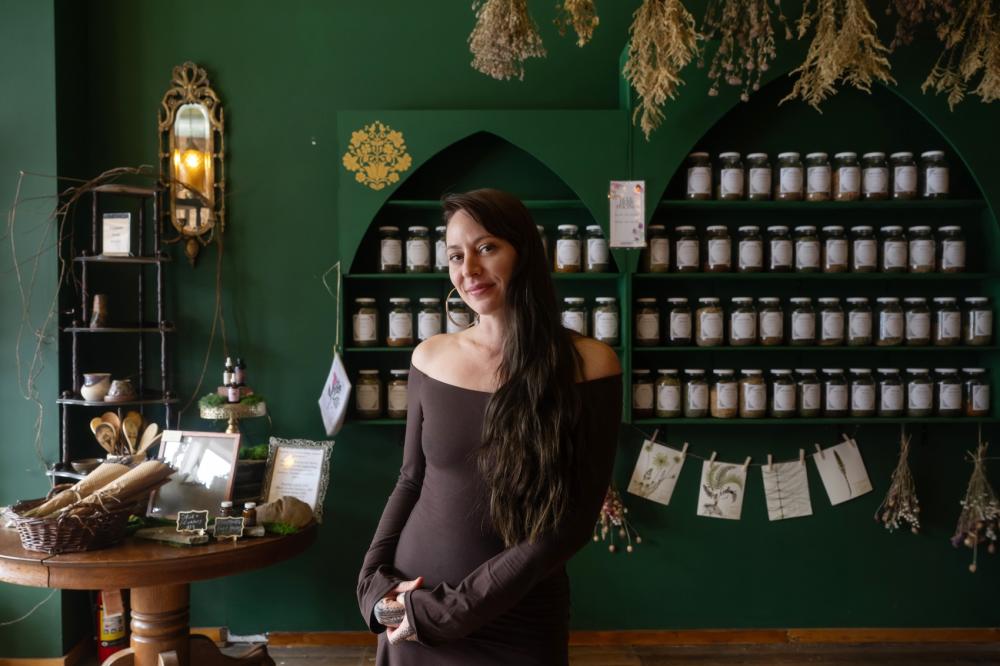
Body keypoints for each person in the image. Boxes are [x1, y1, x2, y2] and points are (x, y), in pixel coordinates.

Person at [357, 188, 622, 665]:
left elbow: (572, 523)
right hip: (414, 605)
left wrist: (453, 611)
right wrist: (373, 583)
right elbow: (410, 479)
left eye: (486, 248)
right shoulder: (430, 357)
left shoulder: (590, 365)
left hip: (516, 619)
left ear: (523, 251)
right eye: (456, 256)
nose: (469, 270)